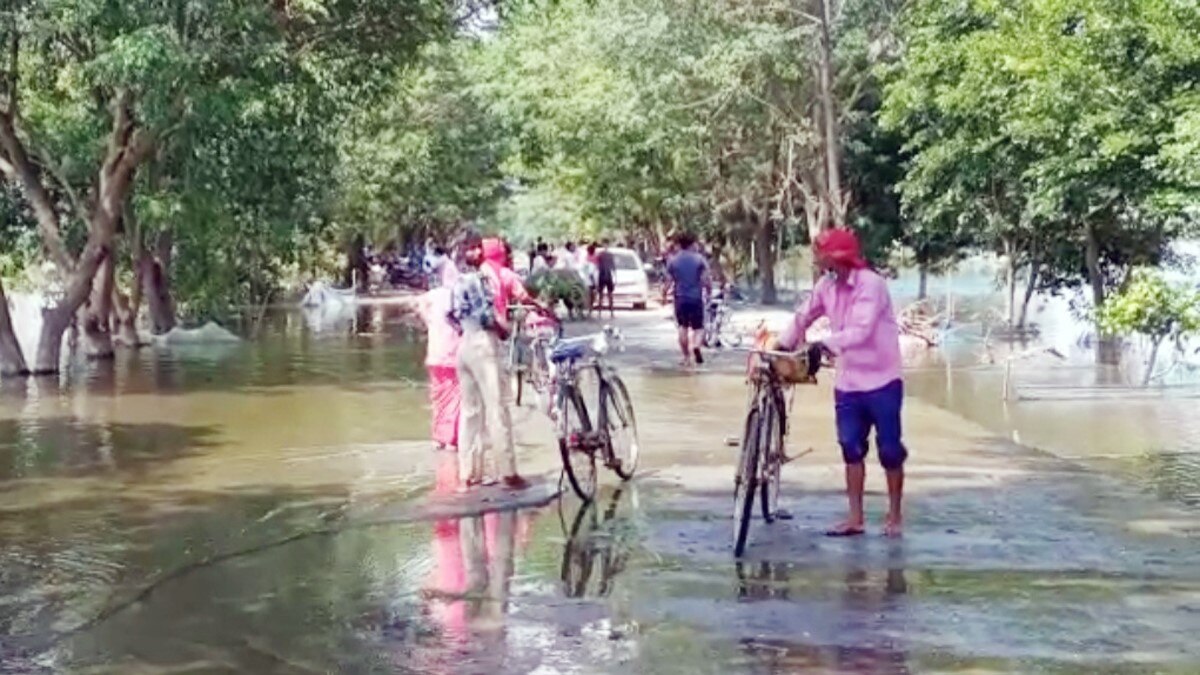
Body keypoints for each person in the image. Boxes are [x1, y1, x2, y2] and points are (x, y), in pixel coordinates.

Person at [776, 228, 907, 537]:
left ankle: (895, 515)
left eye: (820, 252)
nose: (817, 258)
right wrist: (782, 345)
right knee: (850, 448)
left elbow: (861, 330)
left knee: (889, 450)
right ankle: (855, 517)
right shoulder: (826, 285)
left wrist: (823, 345)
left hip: (883, 380)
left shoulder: (871, 285)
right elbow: (803, 316)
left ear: (836, 256)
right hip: (848, 382)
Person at [449, 235, 531, 491]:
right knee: (497, 410)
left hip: (464, 346)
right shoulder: (487, 278)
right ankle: (508, 474)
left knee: (470, 413)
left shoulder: (458, 280)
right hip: (485, 345)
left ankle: (466, 476)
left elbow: (450, 316)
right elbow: (490, 316)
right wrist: (505, 330)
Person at [419, 259, 462, 451]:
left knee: (438, 397)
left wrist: (430, 322)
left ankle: (438, 438)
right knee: (455, 396)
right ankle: (451, 439)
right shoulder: (456, 295)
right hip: (453, 353)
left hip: (435, 353)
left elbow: (421, 309)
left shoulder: (429, 297)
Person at [667, 232, 709, 367]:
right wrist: (708, 291)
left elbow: (668, 281)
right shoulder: (699, 259)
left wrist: (663, 295)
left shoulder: (673, 260)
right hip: (696, 298)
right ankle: (696, 345)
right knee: (699, 328)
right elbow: (705, 279)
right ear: (692, 244)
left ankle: (686, 357)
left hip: (680, 298)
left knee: (682, 327)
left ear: (680, 244)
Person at [595, 240, 616, 318]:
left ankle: (611, 312)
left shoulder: (607, 254)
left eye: (606, 244)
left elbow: (613, 266)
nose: (605, 246)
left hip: (607, 275)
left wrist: (614, 276)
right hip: (603, 275)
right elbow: (598, 265)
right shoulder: (600, 254)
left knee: (609, 295)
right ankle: (600, 313)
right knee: (602, 295)